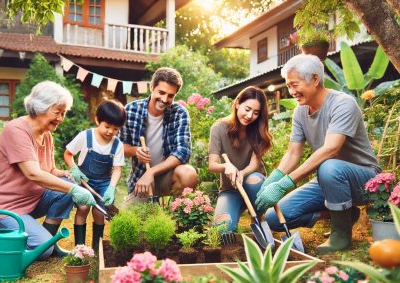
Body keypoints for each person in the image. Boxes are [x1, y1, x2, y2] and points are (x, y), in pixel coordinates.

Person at [255, 54, 381, 253]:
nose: (291, 91)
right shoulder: (300, 111)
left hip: (364, 178)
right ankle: (346, 215)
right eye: (288, 86)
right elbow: (293, 153)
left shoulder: (343, 104)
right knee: (273, 218)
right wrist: (274, 180)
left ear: (315, 79)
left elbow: (331, 149)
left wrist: (287, 183)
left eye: (295, 85)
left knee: (329, 166)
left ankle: (340, 235)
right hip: (329, 179)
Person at [0, 81, 96, 259]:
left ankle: (49, 242)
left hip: (31, 199)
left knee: (66, 187)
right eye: (57, 112)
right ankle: (40, 246)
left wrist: (67, 175)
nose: (60, 118)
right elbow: (32, 173)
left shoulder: (46, 135)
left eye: (63, 113)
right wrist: (73, 189)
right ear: (40, 107)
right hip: (6, 206)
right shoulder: (16, 130)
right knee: (43, 250)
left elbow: (48, 170)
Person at [119, 67, 198, 203]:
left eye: (170, 95)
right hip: (141, 179)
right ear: (152, 87)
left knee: (188, 174)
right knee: (135, 222)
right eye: (161, 92)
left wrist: (152, 172)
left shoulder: (179, 113)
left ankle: (178, 218)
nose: (164, 99)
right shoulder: (130, 110)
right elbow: (119, 147)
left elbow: (183, 152)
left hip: (167, 176)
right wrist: (135, 151)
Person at [64, 99, 126, 250]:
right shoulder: (85, 136)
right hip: (84, 180)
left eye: (115, 129)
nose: (110, 131)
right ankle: (80, 247)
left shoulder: (117, 144)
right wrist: (74, 169)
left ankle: (97, 249)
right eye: (107, 126)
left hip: (104, 183)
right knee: (83, 208)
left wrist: (111, 188)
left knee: (100, 212)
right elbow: (68, 154)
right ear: (98, 120)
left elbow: (117, 169)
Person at [208, 86, 271, 233]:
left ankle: (258, 218)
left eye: (256, 113)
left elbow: (255, 163)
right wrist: (226, 167)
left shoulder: (257, 130)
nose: (250, 116)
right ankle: (234, 210)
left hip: (253, 183)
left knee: (253, 181)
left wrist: (241, 173)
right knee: (222, 230)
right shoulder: (218, 128)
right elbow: (212, 164)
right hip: (231, 189)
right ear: (237, 104)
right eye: (247, 109)